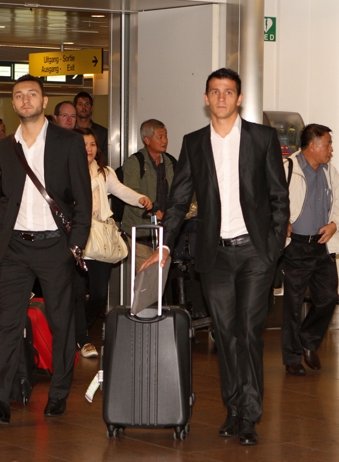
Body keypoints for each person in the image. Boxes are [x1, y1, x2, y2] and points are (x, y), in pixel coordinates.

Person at [140, 68, 289, 445]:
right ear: (206, 99)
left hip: (255, 253)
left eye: (228, 92)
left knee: (249, 332)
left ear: (239, 98)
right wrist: (166, 244)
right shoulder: (194, 143)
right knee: (224, 335)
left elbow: (278, 197)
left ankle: (250, 415)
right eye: (214, 92)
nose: (221, 97)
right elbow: (178, 199)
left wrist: (271, 250)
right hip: (215, 255)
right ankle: (233, 407)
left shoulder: (263, 138)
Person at [0, 74, 92, 424]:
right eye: (19, 95)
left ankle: (58, 394)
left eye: (32, 94)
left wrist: (75, 246)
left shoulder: (68, 142)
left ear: (44, 100)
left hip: (56, 247)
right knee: (7, 321)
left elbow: (82, 201)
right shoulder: (7, 146)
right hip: (16, 249)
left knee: (60, 321)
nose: (25, 100)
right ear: (13, 102)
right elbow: (8, 200)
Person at [73, 128, 152, 358]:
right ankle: (82, 339)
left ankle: (80, 329)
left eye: (92, 144)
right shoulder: (69, 170)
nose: (88, 149)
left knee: (98, 294)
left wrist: (140, 199)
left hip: (101, 239)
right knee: (77, 293)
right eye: (84, 144)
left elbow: (120, 191)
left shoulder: (105, 173)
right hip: (76, 237)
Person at [281, 124, 339, 377]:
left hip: (322, 245)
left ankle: (308, 341)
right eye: (327, 144)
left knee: (329, 298)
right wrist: (282, 221)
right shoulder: (288, 168)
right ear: (312, 146)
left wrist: (334, 224)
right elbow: (272, 201)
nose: (331, 150)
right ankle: (292, 358)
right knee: (293, 304)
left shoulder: (331, 172)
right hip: (296, 245)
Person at [121, 119, 176, 270]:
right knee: (147, 278)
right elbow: (131, 193)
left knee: (163, 279)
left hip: (165, 232)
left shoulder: (171, 162)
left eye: (166, 135)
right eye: (160, 137)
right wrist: (151, 211)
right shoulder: (135, 162)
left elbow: (178, 193)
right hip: (141, 232)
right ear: (147, 140)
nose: (165, 140)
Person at [74, 91, 108, 155]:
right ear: (75, 108)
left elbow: (104, 159)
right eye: (80, 104)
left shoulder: (103, 133)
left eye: (87, 104)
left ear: (91, 108)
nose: (83, 107)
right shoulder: (69, 132)